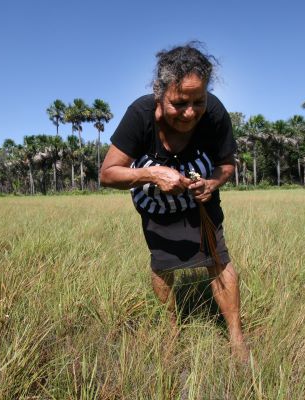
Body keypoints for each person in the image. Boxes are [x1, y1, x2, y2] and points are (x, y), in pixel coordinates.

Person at [100, 42, 248, 361]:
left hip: (200, 201)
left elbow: (226, 163)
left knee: (218, 258)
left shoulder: (215, 114)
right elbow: (108, 174)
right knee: (163, 263)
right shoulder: (140, 115)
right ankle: (171, 332)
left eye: (199, 101)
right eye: (179, 103)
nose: (190, 112)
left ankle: (236, 339)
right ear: (160, 93)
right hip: (155, 203)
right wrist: (153, 176)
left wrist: (213, 183)